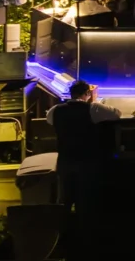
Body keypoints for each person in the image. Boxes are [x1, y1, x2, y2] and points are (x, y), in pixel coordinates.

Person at [47, 79, 120, 215]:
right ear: (87, 93)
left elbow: (50, 120)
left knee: (65, 199)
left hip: (65, 161)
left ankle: (64, 230)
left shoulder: (54, 110)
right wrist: (94, 101)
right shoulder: (92, 109)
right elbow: (116, 114)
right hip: (86, 162)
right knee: (86, 200)